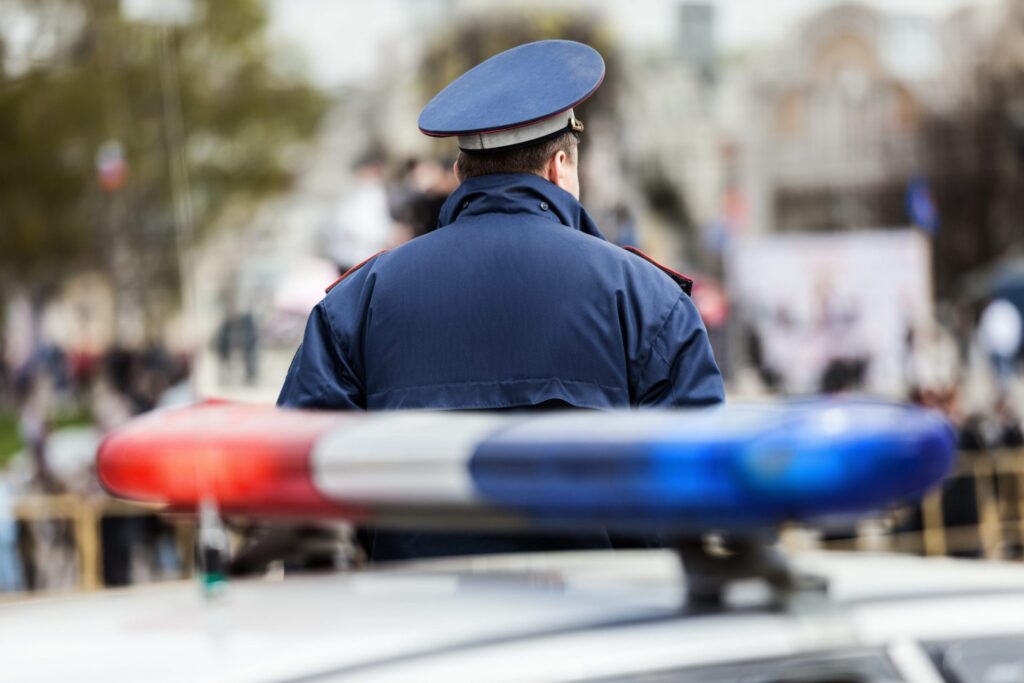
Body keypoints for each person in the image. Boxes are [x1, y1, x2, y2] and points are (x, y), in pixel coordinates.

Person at [278, 40, 724, 561]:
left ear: (462, 173)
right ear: (560, 165)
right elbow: (700, 494)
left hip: (411, 626)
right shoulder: (650, 300)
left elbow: (299, 489)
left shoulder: (358, 302)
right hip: (603, 628)